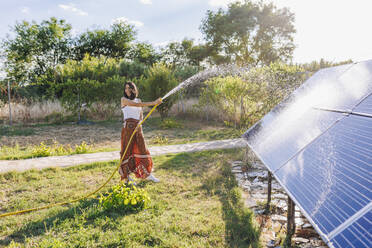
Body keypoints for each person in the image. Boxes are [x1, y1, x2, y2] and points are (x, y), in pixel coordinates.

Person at [119, 81, 162, 184]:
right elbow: (136, 105)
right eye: (126, 88)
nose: (127, 90)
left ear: (134, 89)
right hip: (128, 129)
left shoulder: (139, 100)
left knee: (143, 150)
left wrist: (140, 122)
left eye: (130, 88)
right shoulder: (123, 100)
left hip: (138, 129)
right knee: (127, 152)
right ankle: (126, 177)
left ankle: (147, 174)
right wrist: (153, 103)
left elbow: (141, 114)